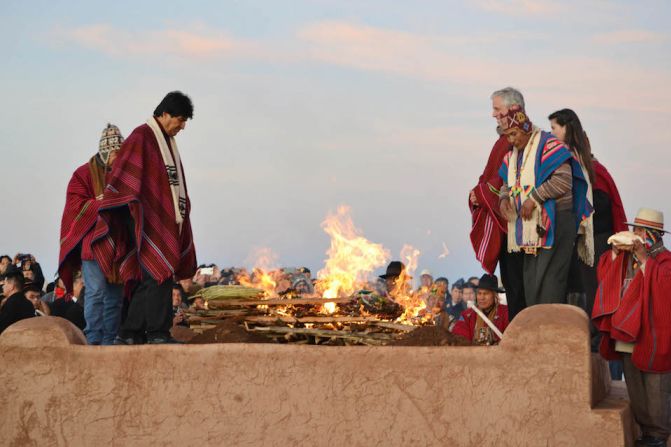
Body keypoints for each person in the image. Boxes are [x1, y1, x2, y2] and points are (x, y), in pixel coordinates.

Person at [91, 91, 197, 344]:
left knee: (151, 275)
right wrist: (138, 211)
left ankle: (130, 332)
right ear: (165, 114)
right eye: (180, 120)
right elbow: (123, 176)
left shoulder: (164, 141)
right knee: (158, 272)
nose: (182, 127)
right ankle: (158, 332)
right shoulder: (142, 137)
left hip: (156, 217)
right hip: (141, 216)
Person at [592, 208, 671, 447]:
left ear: (653, 235)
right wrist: (615, 253)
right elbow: (605, 276)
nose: (634, 234)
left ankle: (658, 434)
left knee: (656, 390)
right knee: (635, 387)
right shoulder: (626, 257)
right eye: (634, 229)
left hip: (653, 334)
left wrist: (645, 260)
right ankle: (645, 432)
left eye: (639, 231)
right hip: (627, 334)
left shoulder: (665, 261)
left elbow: (665, 291)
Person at [498, 106, 591, 306]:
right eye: (507, 136)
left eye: (514, 134)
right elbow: (506, 183)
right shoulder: (513, 156)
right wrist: (504, 199)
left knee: (550, 282)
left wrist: (534, 198)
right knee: (532, 282)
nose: (511, 140)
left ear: (526, 129)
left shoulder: (550, 145)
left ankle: (549, 332)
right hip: (530, 226)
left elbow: (564, 181)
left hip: (556, 221)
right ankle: (537, 331)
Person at [58, 123, 125, 345]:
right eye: (117, 152)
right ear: (107, 151)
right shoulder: (83, 173)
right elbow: (75, 205)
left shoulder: (125, 174)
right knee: (95, 293)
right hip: (92, 244)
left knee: (115, 297)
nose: (120, 156)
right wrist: (103, 204)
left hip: (119, 245)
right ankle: (94, 338)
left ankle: (110, 338)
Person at [470, 87, 526, 320]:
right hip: (509, 224)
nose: (493, 114)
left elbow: (505, 177)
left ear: (513, 109)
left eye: (497, 109)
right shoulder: (502, 142)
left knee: (518, 287)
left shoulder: (518, 141)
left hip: (516, 224)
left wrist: (482, 193)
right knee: (513, 287)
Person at [451, 274, 509, 346]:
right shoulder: (467, 315)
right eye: (479, 293)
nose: (482, 297)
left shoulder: (505, 312)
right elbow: (459, 336)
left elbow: (511, 338)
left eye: (486, 293)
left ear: (495, 295)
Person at [0, 265, 35, 334]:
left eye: (5, 284)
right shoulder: (28, 303)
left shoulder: (11, 303)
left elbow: (2, 327)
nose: (3, 287)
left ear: (12, 286)